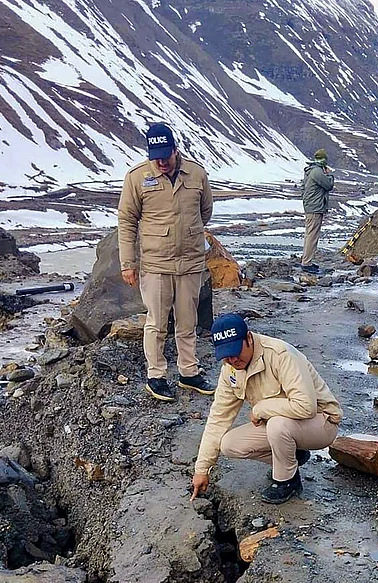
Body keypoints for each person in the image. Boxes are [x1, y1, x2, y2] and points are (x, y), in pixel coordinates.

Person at [191, 314, 343, 504]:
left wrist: (261, 408)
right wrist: (202, 469)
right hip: (285, 425)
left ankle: (287, 481)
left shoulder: (280, 354)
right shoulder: (230, 369)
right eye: (226, 355)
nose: (232, 360)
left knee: (278, 425)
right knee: (229, 444)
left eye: (235, 351)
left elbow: (306, 406)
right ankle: (293, 455)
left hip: (321, 423)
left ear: (248, 338)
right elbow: (218, 418)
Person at [118, 123, 214, 402]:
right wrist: (128, 262)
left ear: (175, 149)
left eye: (165, 155)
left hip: (191, 263)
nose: (160, 162)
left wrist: (188, 233)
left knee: (187, 321)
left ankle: (188, 372)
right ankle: (156, 376)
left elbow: (205, 210)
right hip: (156, 264)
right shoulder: (137, 178)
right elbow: (126, 221)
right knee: (156, 323)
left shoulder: (196, 173)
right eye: (154, 156)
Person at [301, 149, 335, 274]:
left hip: (311, 206)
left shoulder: (311, 171)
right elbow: (328, 185)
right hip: (315, 208)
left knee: (310, 234)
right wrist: (330, 175)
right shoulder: (317, 172)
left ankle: (307, 261)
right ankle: (306, 263)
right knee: (312, 236)